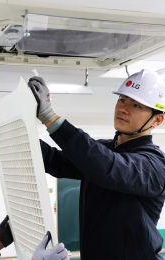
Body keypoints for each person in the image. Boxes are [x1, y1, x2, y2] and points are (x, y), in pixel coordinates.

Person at [28, 69, 165, 260]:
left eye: (136, 105)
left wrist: (49, 117)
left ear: (157, 120)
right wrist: (21, 127)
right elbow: (55, 161)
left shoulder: (155, 165)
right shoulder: (104, 150)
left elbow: (108, 167)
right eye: (122, 100)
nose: (123, 108)